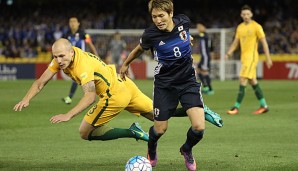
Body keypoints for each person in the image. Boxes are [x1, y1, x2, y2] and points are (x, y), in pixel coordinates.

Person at [13, 39, 222, 147]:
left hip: (113, 95)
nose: (58, 61)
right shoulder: (63, 58)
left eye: (61, 56)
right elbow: (41, 81)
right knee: (157, 114)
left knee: (84, 133)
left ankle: (132, 131)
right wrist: (26, 98)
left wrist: (68, 114)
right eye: (55, 57)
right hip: (125, 84)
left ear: (71, 51)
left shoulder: (81, 66)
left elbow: (89, 96)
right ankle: (200, 109)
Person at [120, 1, 206, 170]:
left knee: (199, 127)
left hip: (188, 81)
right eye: (154, 16)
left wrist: (188, 39)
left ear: (171, 13)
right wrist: (125, 64)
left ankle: (186, 149)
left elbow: (185, 35)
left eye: (161, 16)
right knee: (160, 129)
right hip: (164, 84)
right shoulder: (150, 35)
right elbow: (139, 49)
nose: (158, 20)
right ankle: (151, 147)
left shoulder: (184, 22)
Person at [225, 5, 273, 115]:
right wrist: (229, 53)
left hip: (251, 58)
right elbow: (235, 43)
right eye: (244, 14)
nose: (246, 16)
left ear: (251, 14)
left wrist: (268, 58)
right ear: (241, 15)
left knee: (242, 79)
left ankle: (236, 107)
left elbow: (264, 43)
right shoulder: (240, 27)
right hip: (244, 58)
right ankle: (264, 105)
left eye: (248, 14)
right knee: (252, 81)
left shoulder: (257, 26)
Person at [62, 17, 99, 105]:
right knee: (80, 78)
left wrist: (96, 55)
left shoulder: (83, 33)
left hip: (81, 59)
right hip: (71, 60)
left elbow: (89, 43)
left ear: (78, 23)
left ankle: (71, 97)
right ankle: (90, 96)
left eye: (74, 22)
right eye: (71, 22)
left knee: (79, 78)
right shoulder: (67, 34)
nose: (72, 23)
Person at [196, 23, 214, 95]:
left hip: (205, 56)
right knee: (198, 70)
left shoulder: (204, 35)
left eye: (199, 27)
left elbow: (210, 46)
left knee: (204, 72)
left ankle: (210, 89)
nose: (198, 29)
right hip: (204, 56)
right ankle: (206, 87)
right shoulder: (205, 36)